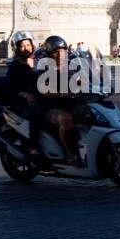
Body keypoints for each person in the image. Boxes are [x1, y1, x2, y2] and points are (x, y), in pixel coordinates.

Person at [38, 35, 84, 166]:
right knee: (66, 119)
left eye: (63, 51)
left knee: (91, 115)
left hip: (70, 104)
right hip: (51, 108)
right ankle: (71, 155)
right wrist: (58, 93)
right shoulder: (43, 68)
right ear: (48, 54)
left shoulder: (72, 67)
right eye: (55, 52)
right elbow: (43, 89)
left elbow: (83, 80)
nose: (60, 55)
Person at [5, 31, 44, 156]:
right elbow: (12, 88)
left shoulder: (38, 62)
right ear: (16, 48)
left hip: (39, 96)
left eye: (28, 45)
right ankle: (33, 146)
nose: (26, 48)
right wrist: (26, 95)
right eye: (22, 46)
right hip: (21, 99)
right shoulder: (14, 66)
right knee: (35, 114)